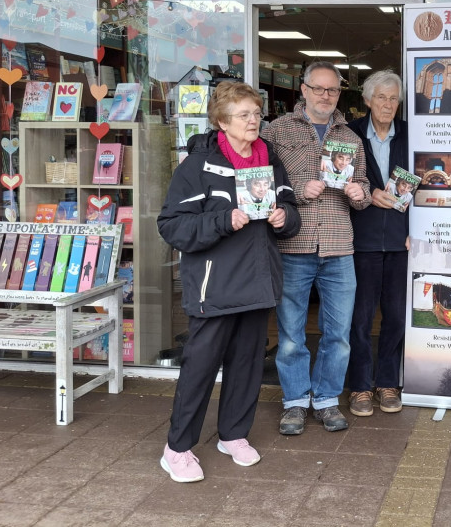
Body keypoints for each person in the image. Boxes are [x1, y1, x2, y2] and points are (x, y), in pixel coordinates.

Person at [157, 81, 301, 483]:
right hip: (214, 287)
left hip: (257, 282)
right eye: (244, 114)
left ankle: (233, 435)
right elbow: (171, 226)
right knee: (200, 369)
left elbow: (290, 209)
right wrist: (222, 220)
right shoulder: (197, 166)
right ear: (222, 121)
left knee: (247, 365)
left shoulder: (269, 161)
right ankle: (177, 448)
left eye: (257, 113)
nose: (254, 121)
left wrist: (284, 217)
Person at [261, 62, 371, 435]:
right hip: (294, 244)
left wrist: (360, 194)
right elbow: (264, 186)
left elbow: (365, 189)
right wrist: (296, 191)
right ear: (303, 90)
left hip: (340, 245)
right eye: (319, 88)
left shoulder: (352, 137)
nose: (326, 96)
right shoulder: (276, 131)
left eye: (333, 90)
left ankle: (325, 400)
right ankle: (294, 401)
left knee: (337, 333)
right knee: (291, 333)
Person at [346, 71, 409, 417]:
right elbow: (336, 181)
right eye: (381, 98)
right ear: (368, 100)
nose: (387, 104)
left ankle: (387, 382)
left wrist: (418, 228)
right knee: (360, 317)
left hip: (401, 241)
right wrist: (367, 193)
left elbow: (424, 185)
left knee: (396, 317)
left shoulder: (410, 136)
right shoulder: (349, 134)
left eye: (393, 98)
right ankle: (359, 385)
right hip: (362, 239)